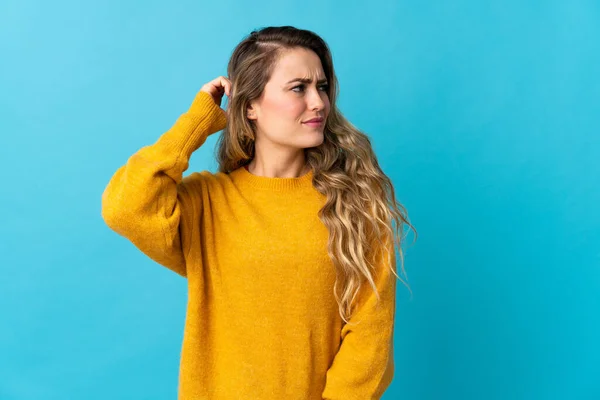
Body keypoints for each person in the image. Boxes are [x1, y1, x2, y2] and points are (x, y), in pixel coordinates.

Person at [101, 25, 416, 400]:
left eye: (322, 87)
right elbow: (125, 208)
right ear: (250, 105)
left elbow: (370, 334)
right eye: (298, 88)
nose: (318, 102)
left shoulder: (355, 203)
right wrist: (195, 122)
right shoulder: (209, 202)